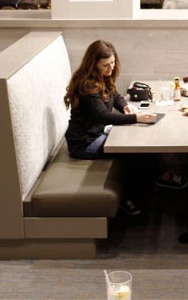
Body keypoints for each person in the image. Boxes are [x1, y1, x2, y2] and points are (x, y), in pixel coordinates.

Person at [64, 40, 157, 215]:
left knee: (139, 144)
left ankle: (148, 190)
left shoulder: (102, 78)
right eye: (106, 65)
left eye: (113, 62)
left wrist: (124, 107)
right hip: (84, 144)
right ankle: (129, 198)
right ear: (94, 65)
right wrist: (137, 117)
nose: (111, 68)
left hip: (97, 134)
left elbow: (116, 94)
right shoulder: (87, 86)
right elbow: (104, 116)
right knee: (136, 152)